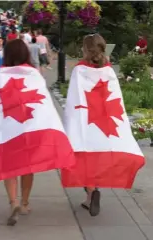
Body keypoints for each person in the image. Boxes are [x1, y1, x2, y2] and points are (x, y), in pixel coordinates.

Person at [0, 39, 75, 226]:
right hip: (30, 128)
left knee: (9, 166)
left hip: (8, 129)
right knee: (26, 167)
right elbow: (44, 105)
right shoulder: (35, 75)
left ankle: (12, 201)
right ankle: (24, 203)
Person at [61, 34, 145, 217]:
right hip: (105, 124)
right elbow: (116, 100)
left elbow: (74, 99)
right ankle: (92, 194)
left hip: (86, 122)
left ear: (85, 50)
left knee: (83, 157)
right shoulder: (109, 71)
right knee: (99, 156)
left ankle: (91, 192)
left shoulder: (79, 70)